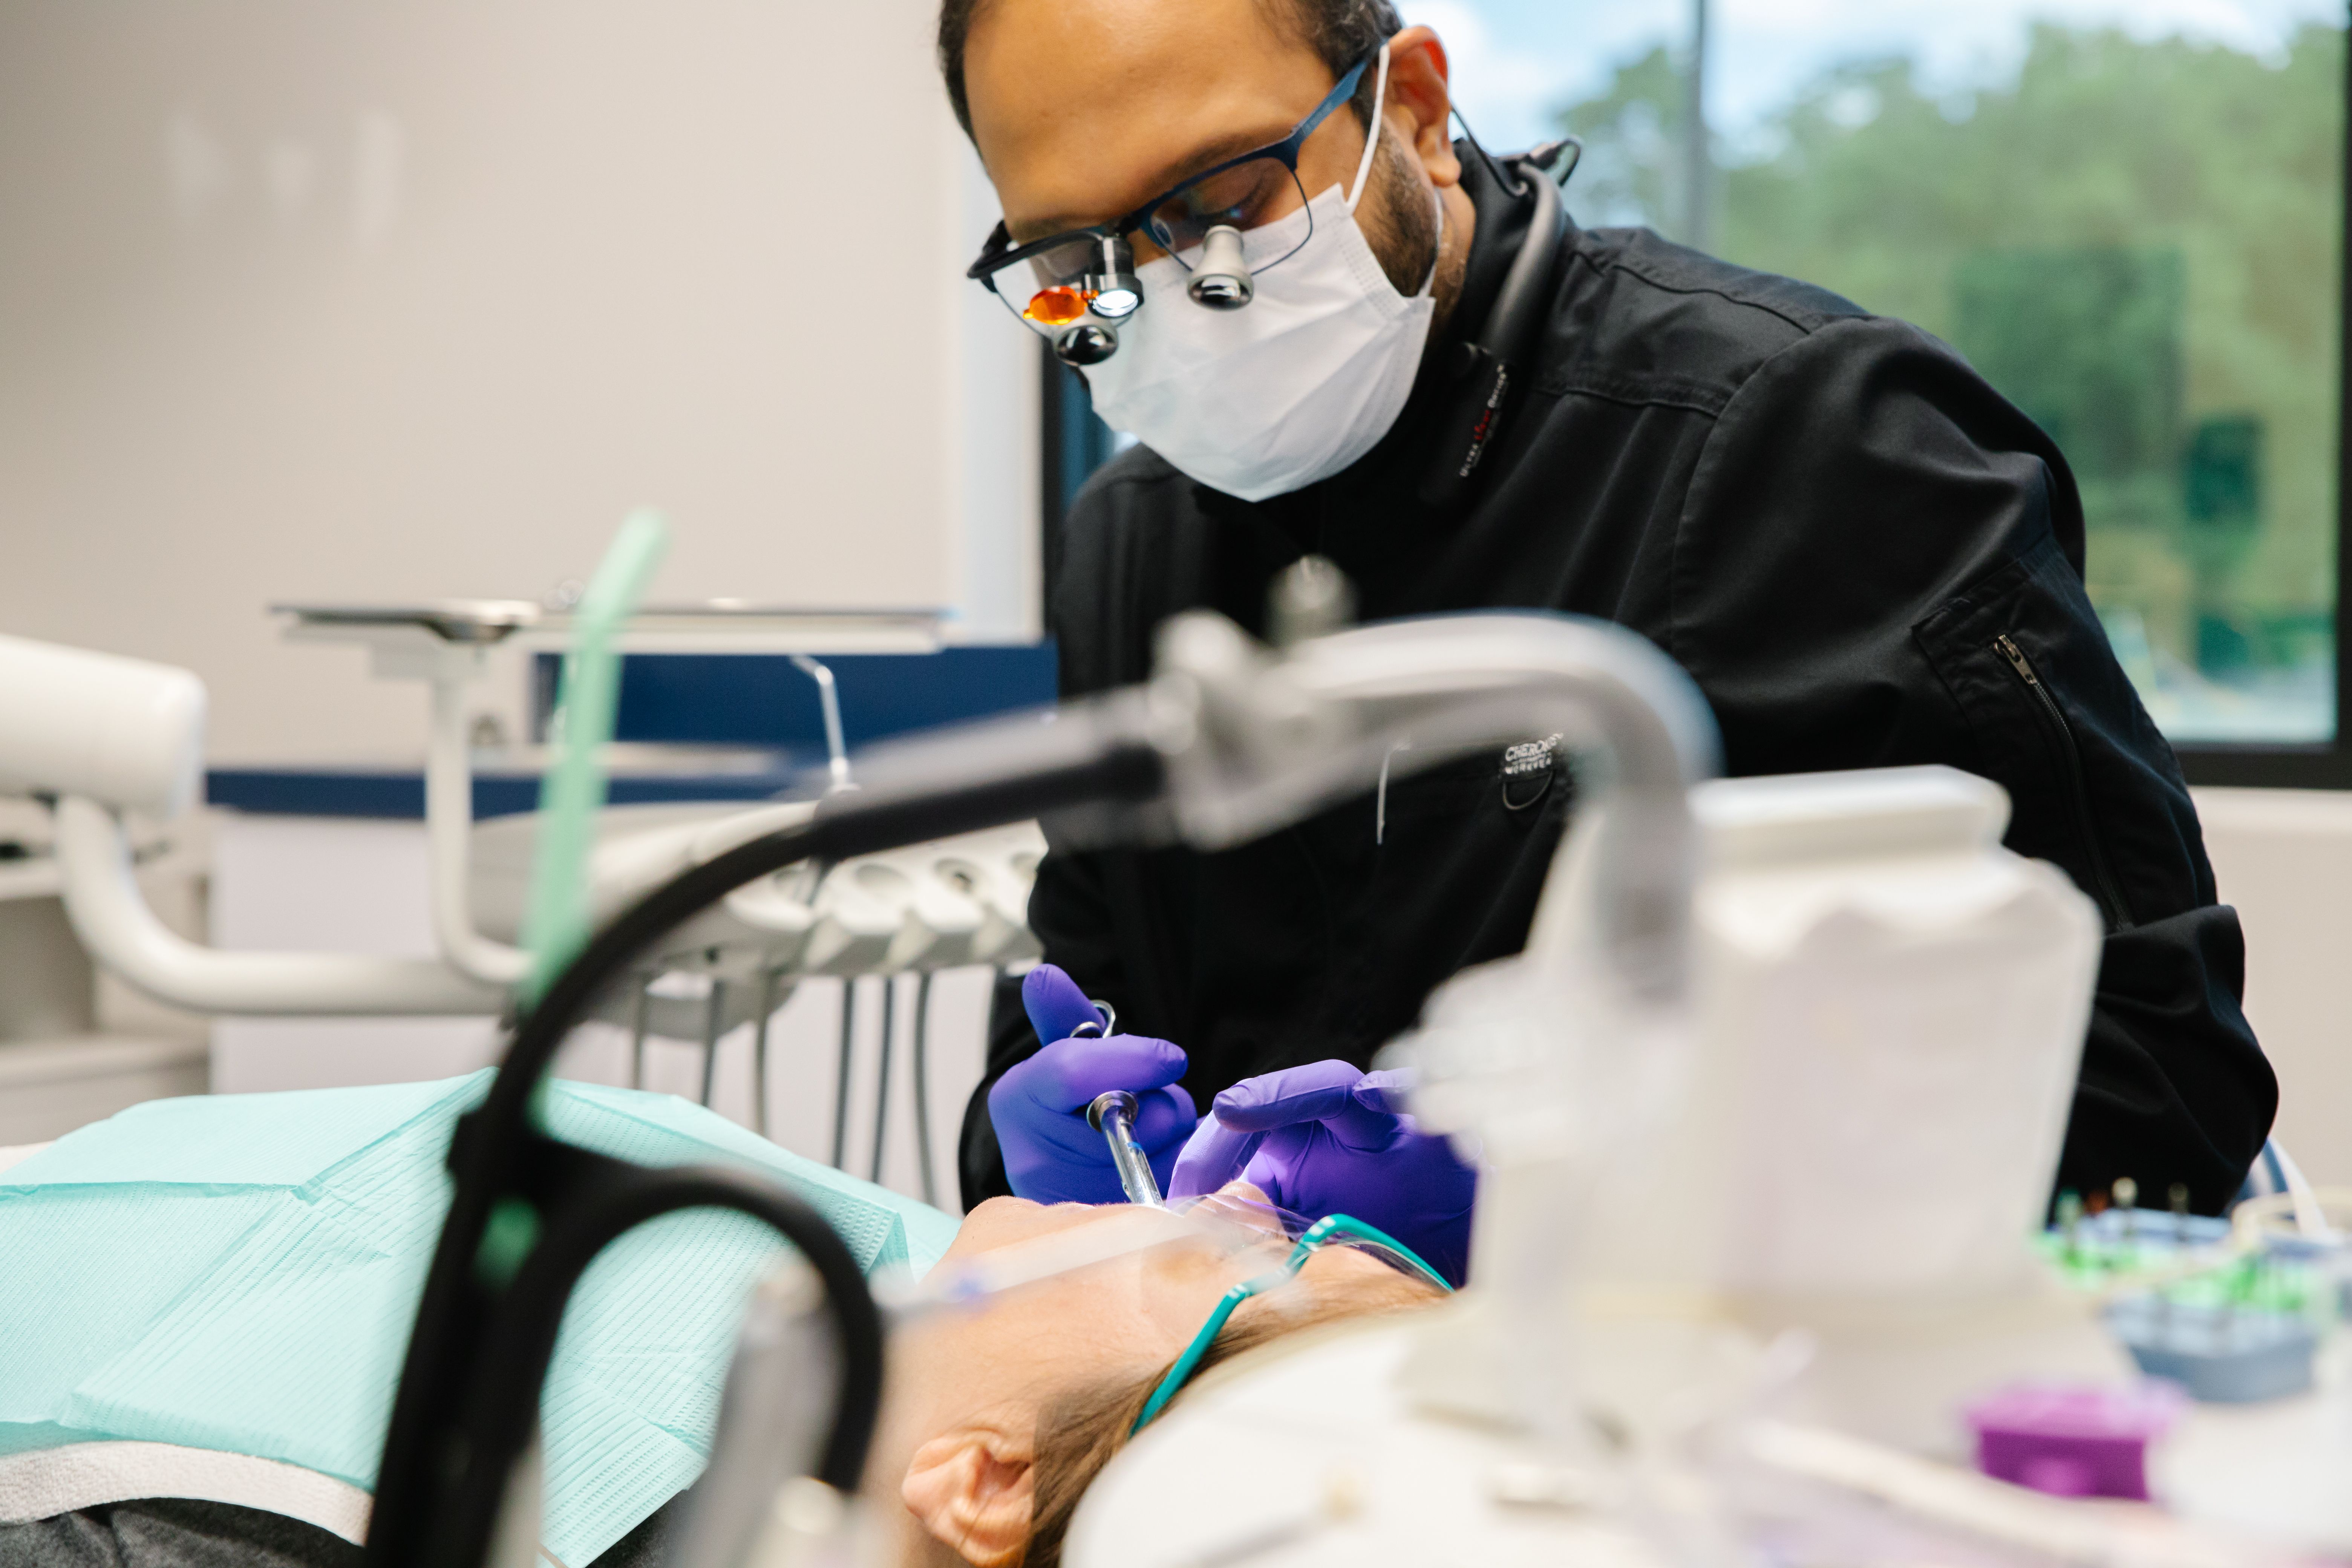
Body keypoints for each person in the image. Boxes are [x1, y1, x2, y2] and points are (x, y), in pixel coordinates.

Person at [942, 0, 2276, 1218]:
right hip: (1265, 1419)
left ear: (1410, 107)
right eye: (1075, 261)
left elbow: (2146, 1088)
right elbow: (1077, 1008)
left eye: (1222, 202)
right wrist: (1044, 1163)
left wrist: (1582, 1201)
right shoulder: (1130, 545)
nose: (1170, 289)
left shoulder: (1801, 451)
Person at [0, 1077, 1439, 1568]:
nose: (1222, 1201)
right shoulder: (857, 1288)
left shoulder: (278, 1525)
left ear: (982, 1479)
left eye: (1230, 1266)